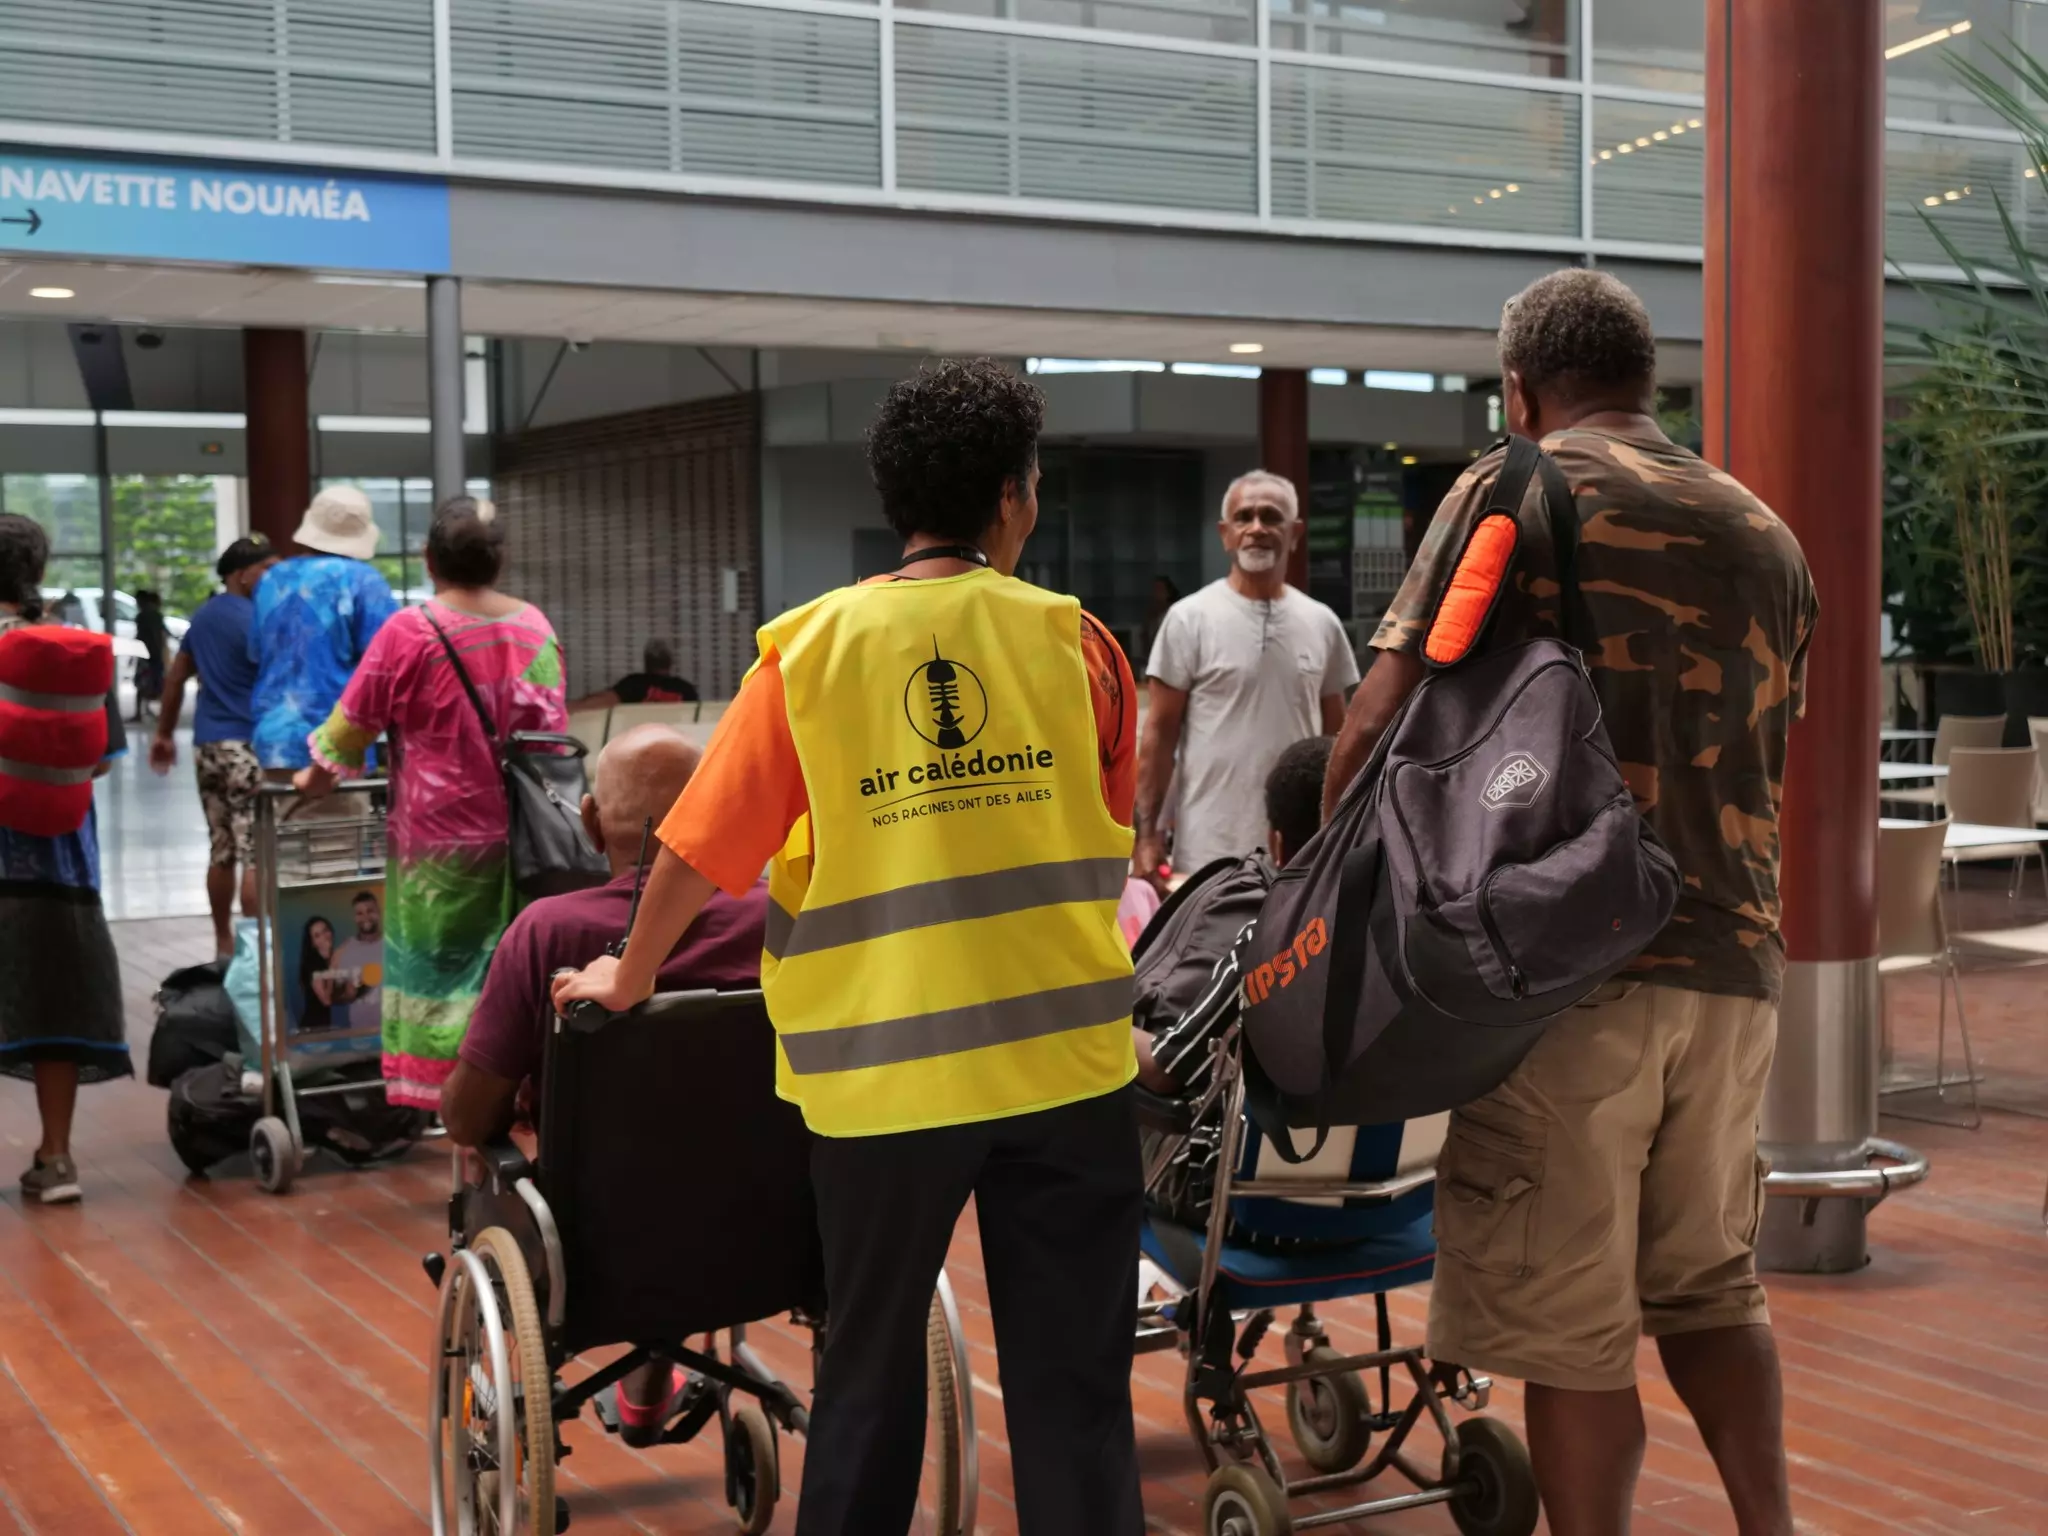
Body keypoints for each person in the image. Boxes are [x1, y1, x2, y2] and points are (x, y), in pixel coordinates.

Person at [553, 358, 1144, 1536]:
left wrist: (631, 970)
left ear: (895, 501)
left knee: (869, 1370)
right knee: (1075, 1385)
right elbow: (1113, 832)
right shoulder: (1079, 648)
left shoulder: (811, 655)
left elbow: (696, 845)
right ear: (1014, 498)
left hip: (882, 1084)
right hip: (1066, 1072)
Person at [1324, 269, 1816, 1536]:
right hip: (1734, 973)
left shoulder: (1515, 487)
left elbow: (1375, 721)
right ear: (1645, 380)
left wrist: (1313, 896)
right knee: (1711, 1286)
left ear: (1518, 390)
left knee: (1568, 1325)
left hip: (1562, 974)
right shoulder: (1764, 533)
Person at [444, 723, 768, 1442]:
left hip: (593, 1246)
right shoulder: (778, 914)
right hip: (772, 1231)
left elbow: (467, 1119)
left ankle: (627, 1380)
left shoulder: (546, 932)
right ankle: (650, 1386)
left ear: (590, 824)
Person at [294, 497, 566, 1112]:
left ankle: (458, 1127)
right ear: (500, 560)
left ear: (428, 559)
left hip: (436, 853)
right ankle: (507, 1115)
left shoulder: (410, 631)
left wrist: (315, 776)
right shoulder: (535, 627)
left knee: (440, 983)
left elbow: (351, 726)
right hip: (526, 843)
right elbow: (550, 738)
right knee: (509, 977)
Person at [1132, 734, 1333, 1247]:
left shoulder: (1274, 945)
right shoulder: (1417, 935)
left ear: (1277, 842)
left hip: (1252, 1217)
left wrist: (1087, 1017)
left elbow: (1166, 1071)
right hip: (1391, 1212)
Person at [1134, 471, 1357, 884]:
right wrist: (1146, 836)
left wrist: (1341, 834)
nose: (1257, 528)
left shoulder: (1322, 623)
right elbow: (1158, 737)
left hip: (1301, 849)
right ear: (1225, 534)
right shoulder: (1188, 619)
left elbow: (1337, 743)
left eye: (1271, 517)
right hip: (1208, 850)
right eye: (1244, 517)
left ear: (1295, 534)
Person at [0, 514, 132, 1204]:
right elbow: (103, 760)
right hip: (61, 863)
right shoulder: (68, 651)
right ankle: (56, 1159)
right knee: (54, 1002)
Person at [149, 536, 279, 959]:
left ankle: (224, 942)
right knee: (256, 850)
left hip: (208, 746)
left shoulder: (202, 618)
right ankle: (256, 954)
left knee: (222, 848)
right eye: (266, 568)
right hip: (247, 744)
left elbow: (176, 678)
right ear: (243, 575)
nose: (273, 576)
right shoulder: (260, 618)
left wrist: (164, 735)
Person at [249, 485, 399, 782]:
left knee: (281, 813)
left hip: (272, 739)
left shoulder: (271, 579)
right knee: (339, 815)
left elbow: (255, 653)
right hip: (336, 744)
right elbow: (389, 662)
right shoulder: (363, 581)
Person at [568, 638, 700, 709]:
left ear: (646, 661)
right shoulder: (686, 690)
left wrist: (571, 707)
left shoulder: (635, 683)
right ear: (670, 662)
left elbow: (604, 700)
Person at [330, 891, 384, 1034]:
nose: (365, 917)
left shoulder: (394, 946)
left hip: (392, 1033)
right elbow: (334, 997)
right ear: (354, 918)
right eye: (360, 913)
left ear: (379, 913)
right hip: (359, 1035)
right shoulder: (345, 950)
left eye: (370, 911)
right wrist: (349, 993)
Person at [132, 588, 168, 722]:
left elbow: (142, 635)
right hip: (154, 653)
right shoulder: (156, 616)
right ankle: (159, 712)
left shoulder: (143, 616)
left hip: (146, 653)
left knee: (143, 684)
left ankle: (140, 713)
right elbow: (161, 635)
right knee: (157, 683)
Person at [297, 916, 337, 1031]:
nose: (324, 936)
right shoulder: (312, 964)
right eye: (317, 935)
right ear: (313, 943)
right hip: (314, 1029)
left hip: (326, 1025)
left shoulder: (333, 958)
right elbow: (326, 1000)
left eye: (325, 931)